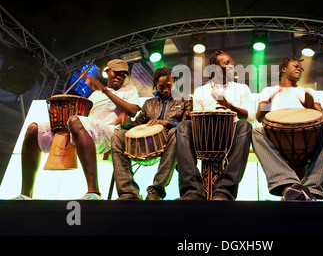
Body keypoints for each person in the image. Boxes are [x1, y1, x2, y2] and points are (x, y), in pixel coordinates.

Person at [13, 59, 140, 200]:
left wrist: (105, 91)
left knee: (75, 120)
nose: (119, 77)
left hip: (111, 134)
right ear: (107, 72)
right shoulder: (95, 95)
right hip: (87, 130)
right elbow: (85, 116)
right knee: (33, 129)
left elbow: (133, 110)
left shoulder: (129, 90)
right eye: (116, 73)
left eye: (123, 75)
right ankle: (25, 194)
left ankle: (94, 192)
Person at [252, 56, 323, 201]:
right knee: (256, 132)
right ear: (283, 69)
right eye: (295, 66)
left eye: (301, 67)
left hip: (309, 139)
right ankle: (287, 184)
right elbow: (260, 118)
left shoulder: (308, 91)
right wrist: (270, 100)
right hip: (277, 139)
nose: (299, 69)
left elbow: (322, 118)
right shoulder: (269, 90)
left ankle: (312, 187)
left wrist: (310, 106)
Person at [176, 50, 255, 200]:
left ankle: (224, 191)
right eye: (227, 63)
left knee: (245, 126)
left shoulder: (242, 89)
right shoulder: (201, 91)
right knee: (183, 126)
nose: (232, 66)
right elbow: (196, 120)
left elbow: (250, 117)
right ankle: (192, 191)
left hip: (232, 135)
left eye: (232, 62)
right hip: (205, 138)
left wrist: (230, 107)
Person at [111, 67, 191, 200]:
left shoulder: (185, 101)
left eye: (169, 86)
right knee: (118, 136)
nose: (165, 90)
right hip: (148, 143)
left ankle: (156, 190)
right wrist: (126, 123)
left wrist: (168, 123)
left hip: (173, 141)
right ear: (156, 86)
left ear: (176, 83)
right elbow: (137, 125)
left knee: (176, 131)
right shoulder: (149, 104)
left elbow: (187, 125)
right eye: (161, 87)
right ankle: (128, 192)